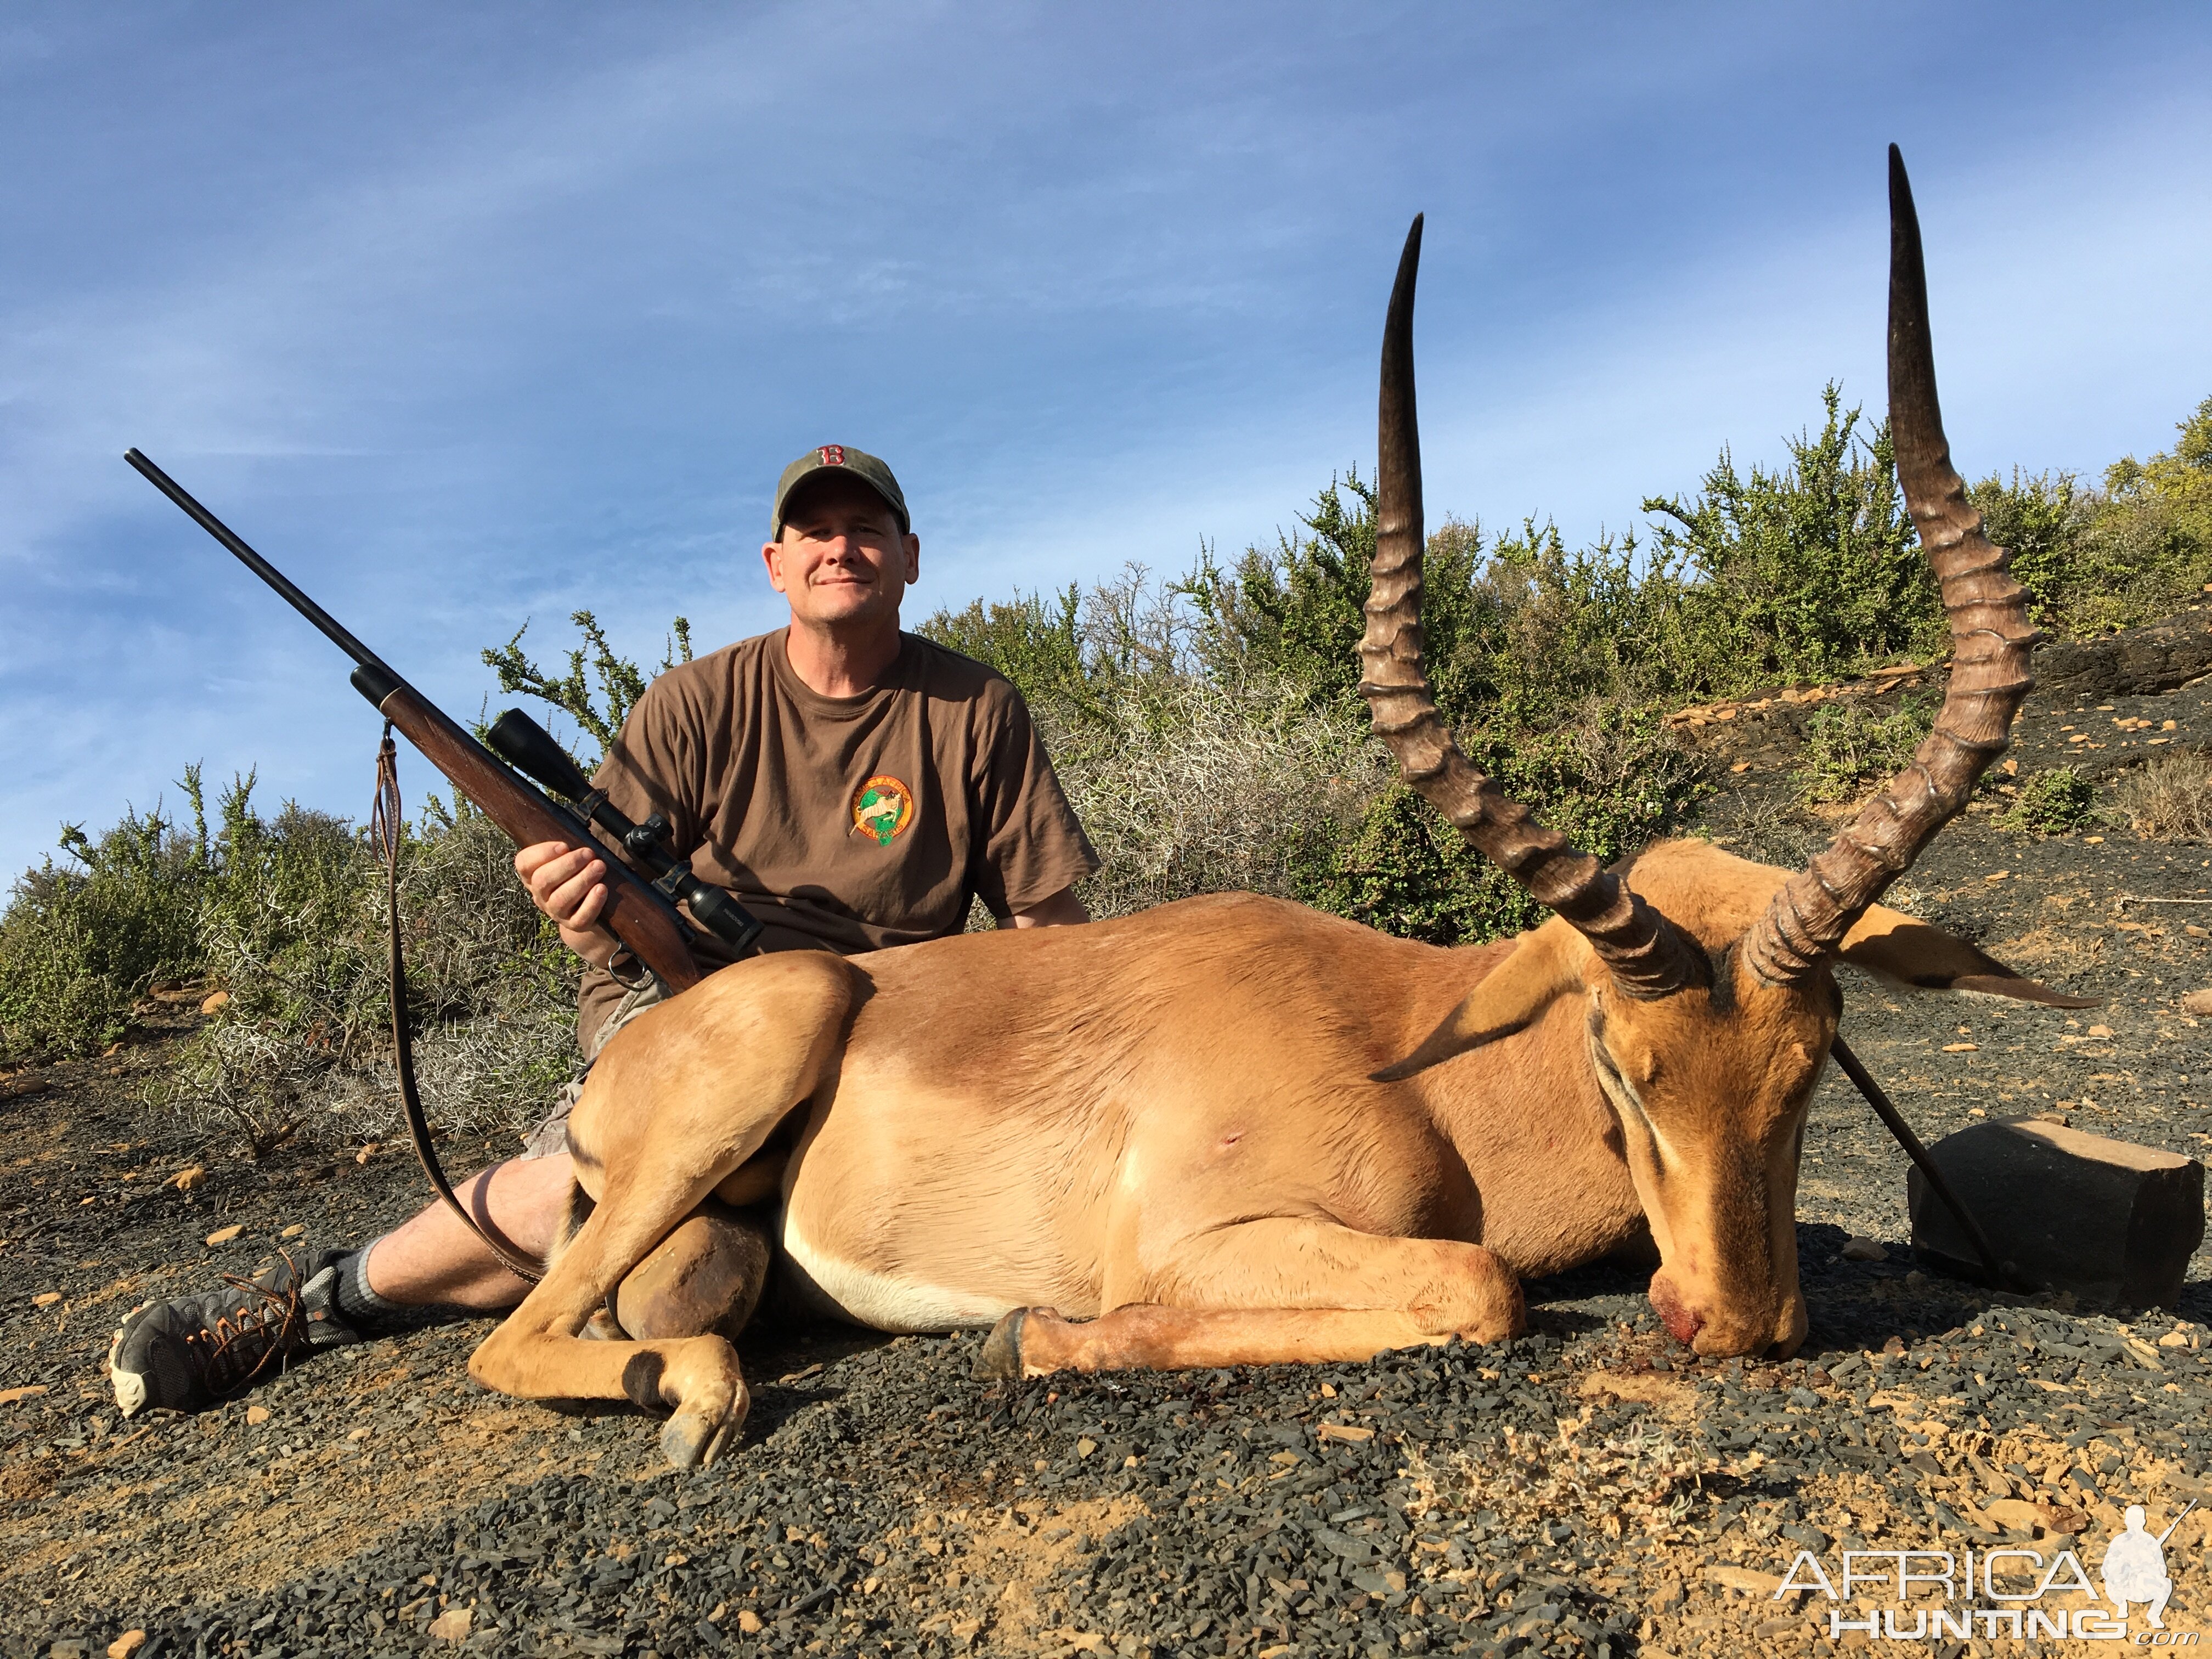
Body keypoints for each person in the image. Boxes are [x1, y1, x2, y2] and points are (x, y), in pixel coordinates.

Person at [110, 444, 1098, 1415]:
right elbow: (613, 932)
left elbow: (1046, 929)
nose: (839, 548)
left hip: (889, 1029)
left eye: (864, 529)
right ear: (775, 564)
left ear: (909, 555)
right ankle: (316, 1300)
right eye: (814, 532)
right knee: (586, 1196)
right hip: (693, 1002)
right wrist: (578, 913)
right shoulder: (696, 701)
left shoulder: (976, 708)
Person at [2100, 1504, 2174, 1629]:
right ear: (2127, 1522)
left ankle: (2154, 1615)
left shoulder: (2150, 1541)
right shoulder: (2119, 1541)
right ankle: (2122, 1605)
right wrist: (2123, 1565)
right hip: (2123, 1585)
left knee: (2167, 1583)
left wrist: (2148, 1565)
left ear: (2143, 1522)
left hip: (2143, 1585)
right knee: (2113, 1579)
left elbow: (2162, 1569)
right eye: (2132, 1521)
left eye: (2138, 1521)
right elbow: (2106, 1567)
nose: (2134, 1524)